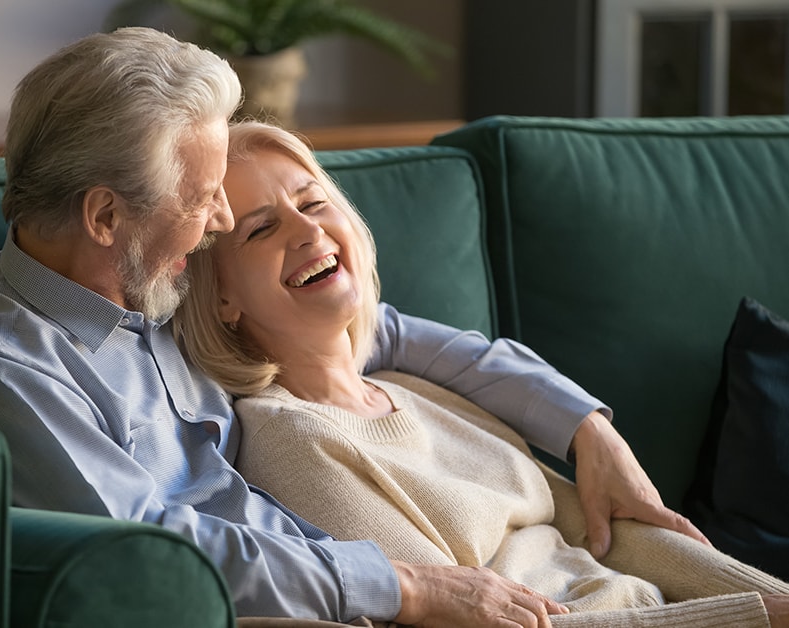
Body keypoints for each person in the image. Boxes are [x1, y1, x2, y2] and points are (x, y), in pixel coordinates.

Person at [0, 26, 711, 627]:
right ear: (106, 217)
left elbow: (382, 332)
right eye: (203, 197)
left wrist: (584, 427)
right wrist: (402, 588)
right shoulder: (4, 368)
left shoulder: (151, 283)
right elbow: (154, 551)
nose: (216, 221)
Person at [173, 119, 789, 627]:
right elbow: (459, 618)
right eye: (262, 228)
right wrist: (746, 617)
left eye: (313, 203)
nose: (308, 230)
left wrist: (766, 597)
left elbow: (608, 535)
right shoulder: (289, 439)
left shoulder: (418, 387)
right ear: (222, 298)